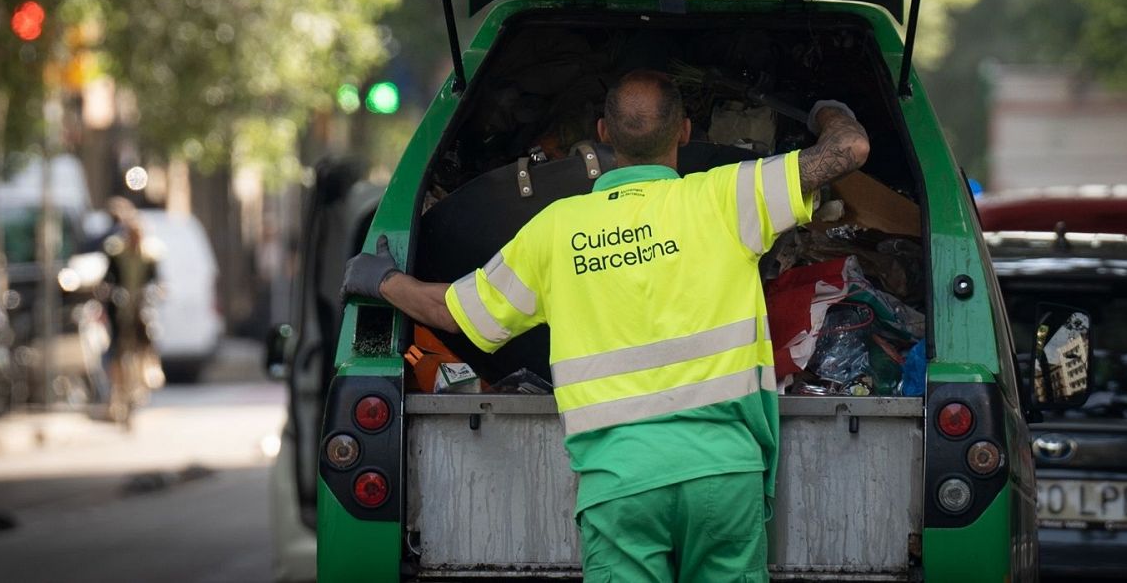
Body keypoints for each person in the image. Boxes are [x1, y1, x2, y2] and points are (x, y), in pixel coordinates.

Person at [343, 70, 869, 581]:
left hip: (620, 489)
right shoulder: (727, 198)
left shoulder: (554, 231)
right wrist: (828, 110)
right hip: (723, 476)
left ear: (603, 134)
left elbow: (454, 312)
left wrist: (383, 280)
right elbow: (850, 151)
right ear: (685, 133)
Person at [97, 198, 159, 423]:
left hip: (139, 306)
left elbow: (155, 280)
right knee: (113, 347)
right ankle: (115, 391)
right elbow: (108, 278)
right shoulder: (115, 252)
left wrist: (153, 292)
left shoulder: (149, 255)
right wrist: (110, 291)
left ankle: (147, 374)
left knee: (147, 336)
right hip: (119, 306)